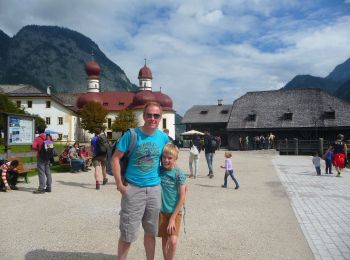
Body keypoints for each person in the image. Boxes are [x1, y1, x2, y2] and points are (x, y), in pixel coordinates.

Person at [111, 101, 170, 260]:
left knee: (151, 232)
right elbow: (115, 159)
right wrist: (120, 185)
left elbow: (170, 161)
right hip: (133, 189)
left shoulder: (164, 138)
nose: (152, 118)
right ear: (144, 116)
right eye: (149, 115)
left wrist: (179, 183)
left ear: (160, 117)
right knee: (127, 233)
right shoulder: (131, 135)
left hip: (154, 190)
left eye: (156, 115)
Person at [158, 143, 186, 260]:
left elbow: (182, 197)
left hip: (175, 212)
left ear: (175, 159)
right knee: (164, 239)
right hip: (162, 212)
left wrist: (173, 218)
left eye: (169, 158)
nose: (166, 160)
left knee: (173, 241)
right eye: (164, 157)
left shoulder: (179, 173)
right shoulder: (158, 170)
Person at [32, 126, 52, 194]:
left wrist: (38, 148)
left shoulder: (37, 138)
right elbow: (50, 147)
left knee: (41, 173)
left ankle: (41, 188)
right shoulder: (48, 137)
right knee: (48, 173)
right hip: (47, 157)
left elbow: (34, 147)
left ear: (37, 131)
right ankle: (49, 187)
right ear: (44, 130)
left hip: (40, 157)